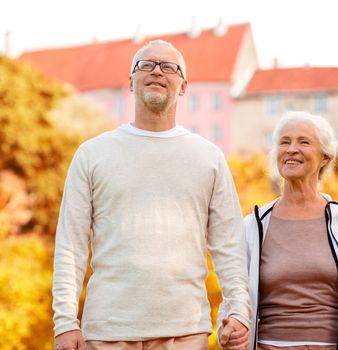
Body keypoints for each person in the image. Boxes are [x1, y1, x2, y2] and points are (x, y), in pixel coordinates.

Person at [52, 40, 251, 350]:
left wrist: (238, 310)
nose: (157, 71)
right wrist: (65, 322)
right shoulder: (92, 154)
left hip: (185, 332)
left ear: (183, 87)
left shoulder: (208, 157)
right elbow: (70, 246)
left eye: (169, 67)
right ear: (131, 81)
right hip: (108, 331)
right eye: (146, 65)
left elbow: (230, 244)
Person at [218, 111, 338, 350]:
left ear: (325, 157)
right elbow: (233, 297)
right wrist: (227, 332)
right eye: (284, 142)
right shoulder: (253, 227)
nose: (291, 149)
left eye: (303, 142)